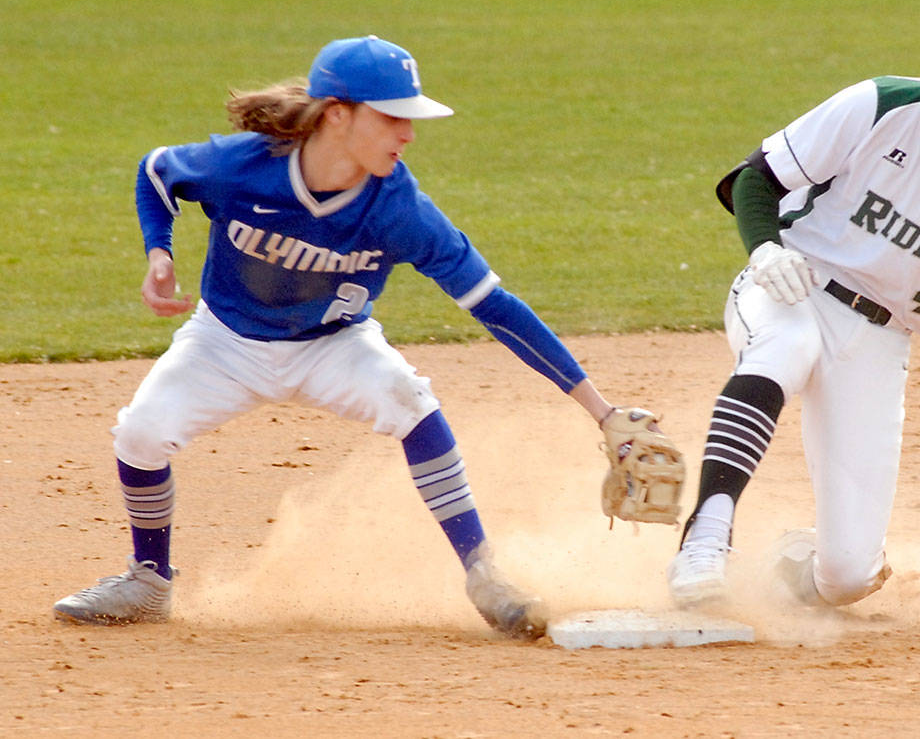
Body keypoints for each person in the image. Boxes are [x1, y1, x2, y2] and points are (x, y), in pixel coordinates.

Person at [53, 35, 638, 640]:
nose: (407, 134)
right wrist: (159, 252)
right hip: (224, 342)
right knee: (140, 434)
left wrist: (601, 411)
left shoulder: (399, 208)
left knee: (411, 403)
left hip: (334, 344)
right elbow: (156, 171)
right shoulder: (242, 167)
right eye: (391, 117)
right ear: (338, 114)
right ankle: (149, 582)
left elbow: (494, 306)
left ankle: (484, 575)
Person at [666, 14, 920, 609]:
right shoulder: (884, 105)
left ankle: (786, 570)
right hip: (795, 284)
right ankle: (705, 537)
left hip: (881, 339)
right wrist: (764, 251)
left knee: (848, 578)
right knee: (787, 347)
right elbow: (753, 180)